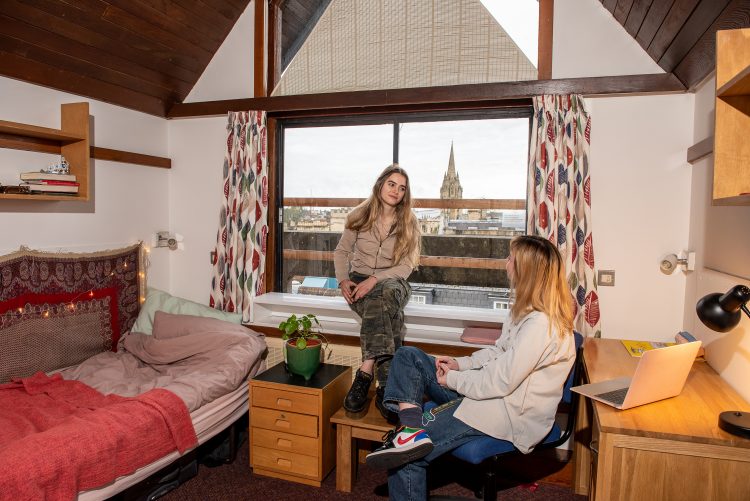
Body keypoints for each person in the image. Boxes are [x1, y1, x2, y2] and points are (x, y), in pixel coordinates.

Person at [365, 235, 576, 500]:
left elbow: (501, 382)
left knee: (405, 457)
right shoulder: (523, 311)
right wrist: (460, 365)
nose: (506, 262)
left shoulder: (540, 326)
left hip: (508, 414)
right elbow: (499, 351)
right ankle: (410, 430)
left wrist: (452, 380)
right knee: (408, 356)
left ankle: (409, 440)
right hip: (490, 396)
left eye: (511, 258)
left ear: (526, 271)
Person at [334, 164, 421, 419]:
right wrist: (342, 281)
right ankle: (387, 389)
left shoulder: (409, 222)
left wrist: (375, 279)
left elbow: (406, 266)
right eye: (392, 184)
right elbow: (341, 252)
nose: (396, 191)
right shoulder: (359, 216)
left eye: (402, 188)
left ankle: (365, 372)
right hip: (358, 283)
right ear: (381, 184)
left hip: (394, 282)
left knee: (382, 295)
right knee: (384, 312)